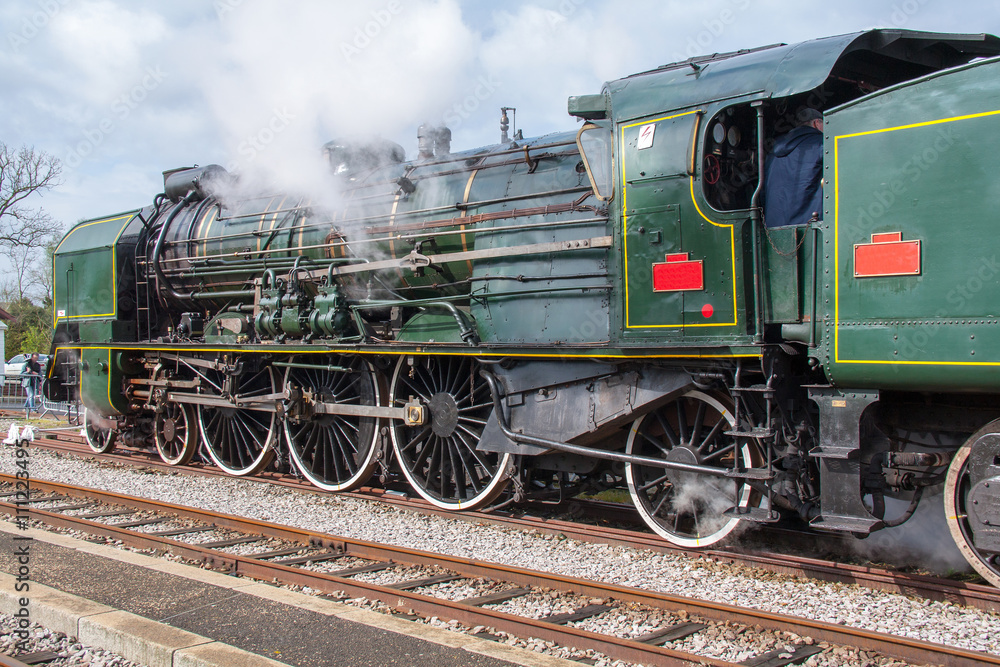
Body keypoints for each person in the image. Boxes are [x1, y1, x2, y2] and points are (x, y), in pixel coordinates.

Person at [763, 108, 824, 228]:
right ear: (816, 123)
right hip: (811, 228)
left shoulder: (772, 152)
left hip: (774, 227)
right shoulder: (821, 144)